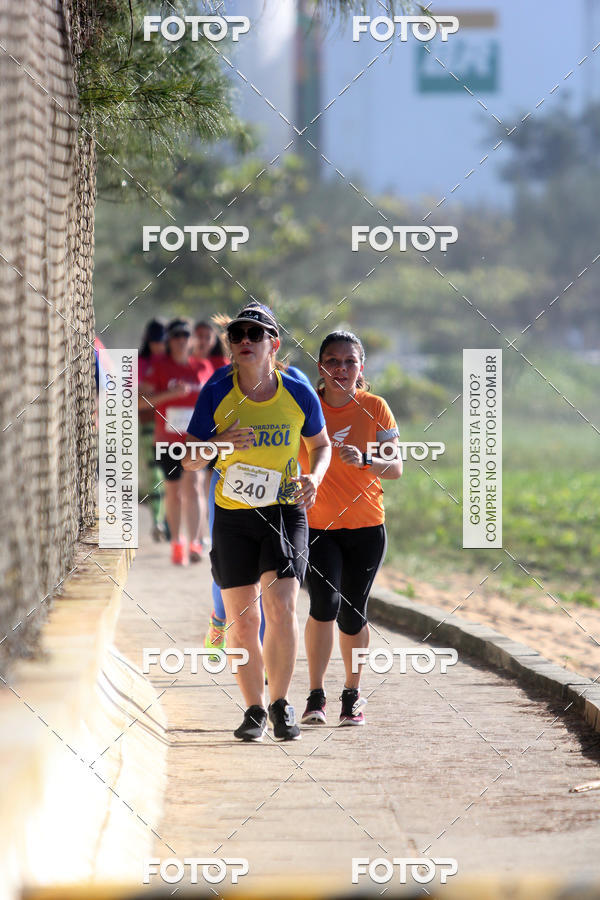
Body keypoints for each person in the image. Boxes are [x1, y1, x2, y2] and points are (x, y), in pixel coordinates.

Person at [183, 302, 331, 742]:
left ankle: (282, 703)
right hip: (232, 516)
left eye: (255, 334)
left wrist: (315, 477)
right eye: (238, 335)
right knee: (242, 620)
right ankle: (253, 710)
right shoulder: (216, 390)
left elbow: (320, 444)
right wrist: (218, 443)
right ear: (230, 345)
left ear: (273, 344)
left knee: (281, 605)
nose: (245, 340)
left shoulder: (297, 388)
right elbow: (189, 461)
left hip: (285, 511)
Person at [300, 331, 402, 727]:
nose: (341, 369)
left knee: (353, 612)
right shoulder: (306, 405)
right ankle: (315, 695)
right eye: (332, 361)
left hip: (365, 526)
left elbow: (395, 468)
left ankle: (352, 694)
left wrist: (363, 459)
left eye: (349, 362)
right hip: (318, 525)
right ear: (320, 366)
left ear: (361, 368)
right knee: (323, 606)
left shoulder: (375, 407)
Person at [142, 318, 213, 565]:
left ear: (192, 340)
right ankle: (177, 543)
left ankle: (195, 542)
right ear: (169, 341)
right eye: (176, 336)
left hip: (196, 439)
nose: (181, 340)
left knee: (194, 485)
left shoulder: (203, 367)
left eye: (186, 335)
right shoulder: (160, 367)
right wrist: (171, 394)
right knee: (174, 492)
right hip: (167, 440)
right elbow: (142, 401)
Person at [138, 319, 167, 541]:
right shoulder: (141, 363)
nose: (159, 346)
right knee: (154, 472)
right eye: (155, 341)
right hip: (148, 423)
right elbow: (138, 397)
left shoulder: (172, 362)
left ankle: (167, 521)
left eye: (162, 341)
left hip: (170, 425)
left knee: (169, 474)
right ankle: (158, 520)